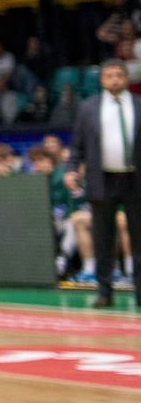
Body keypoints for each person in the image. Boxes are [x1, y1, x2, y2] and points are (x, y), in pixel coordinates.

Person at [70, 59, 139, 307]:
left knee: (139, 236)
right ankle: (104, 292)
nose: (115, 80)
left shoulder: (138, 104)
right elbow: (77, 145)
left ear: (126, 78)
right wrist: (71, 170)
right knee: (103, 238)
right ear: (102, 80)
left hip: (135, 179)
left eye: (119, 75)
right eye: (109, 75)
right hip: (103, 180)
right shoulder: (89, 108)